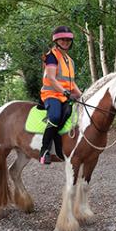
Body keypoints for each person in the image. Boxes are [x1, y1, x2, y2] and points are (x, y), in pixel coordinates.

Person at [39, 26, 82, 164]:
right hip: (51, 94)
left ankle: (61, 141)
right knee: (56, 116)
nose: (66, 42)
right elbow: (51, 78)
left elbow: (71, 83)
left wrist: (81, 95)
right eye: (62, 40)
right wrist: (64, 92)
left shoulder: (70, 60)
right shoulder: (51, 56)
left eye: (68, 40)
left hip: (65, 96)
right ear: (56, 41)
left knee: (72, 113)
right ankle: (44, 150)